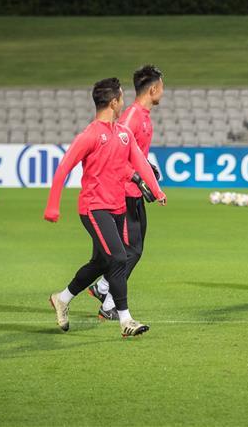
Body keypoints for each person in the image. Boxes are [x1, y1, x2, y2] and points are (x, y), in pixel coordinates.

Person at [44, 78, 165, 338]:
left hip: (116, 207)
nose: (123, 101)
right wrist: (52, 206)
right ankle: (125, 319)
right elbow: (64, 167)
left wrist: (156, 189)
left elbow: (138, 163)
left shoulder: (122, 134)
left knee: (100, 262)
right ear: (113, 102)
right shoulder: (90, 135)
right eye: (121, 98)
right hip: (93, 208)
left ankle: (62, 298)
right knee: (119, 258)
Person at [87, 65, 164, 320]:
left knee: (134, 250)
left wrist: (149, 171)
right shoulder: (131, 116)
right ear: (153, 88)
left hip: (135, 192)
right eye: (161, 86)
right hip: (125, 193)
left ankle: (103, 288)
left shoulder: (142, 116)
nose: (163, 91)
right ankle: (108, 301)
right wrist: (137, 178)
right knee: (129, 252)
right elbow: (118, 151)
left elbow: (135, 153)